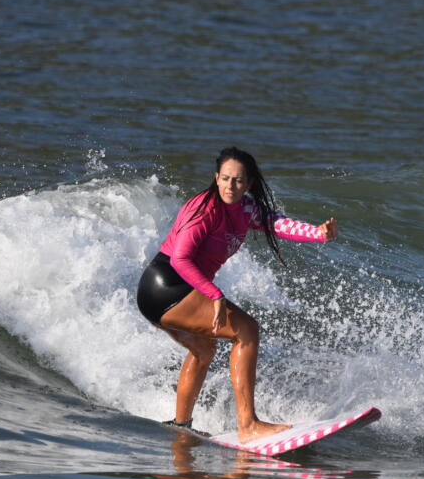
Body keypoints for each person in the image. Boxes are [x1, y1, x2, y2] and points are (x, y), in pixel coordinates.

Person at [137, 147, 338, 443]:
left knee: (204, 350)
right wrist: (214, 294)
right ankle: (249, 425)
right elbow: (181, 259)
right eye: (226, 179)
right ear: (216, 177)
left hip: (174, 290)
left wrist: (318, 233)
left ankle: (181, 426)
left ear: (249, 184)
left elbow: (278, 224)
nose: (231, 186)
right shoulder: (203, 208)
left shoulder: (246, 210)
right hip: (165, 286)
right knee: (246, 330)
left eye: (239, 181)